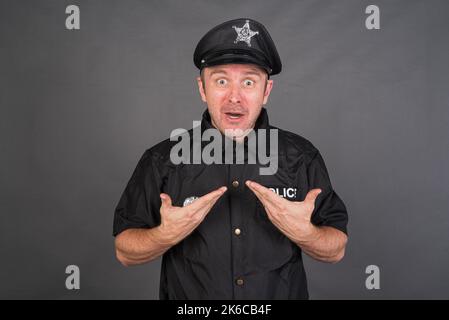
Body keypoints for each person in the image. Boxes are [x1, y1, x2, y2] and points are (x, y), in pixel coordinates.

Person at [113, 18, 348, 299]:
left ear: (266, 92)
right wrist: (163, 235)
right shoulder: (162, 160)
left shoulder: (301, 157)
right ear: (202, 89)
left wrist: (305, 233)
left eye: (248, 82)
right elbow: (125, 252)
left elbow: (336, 250)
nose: (234, 97)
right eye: (221, 80)